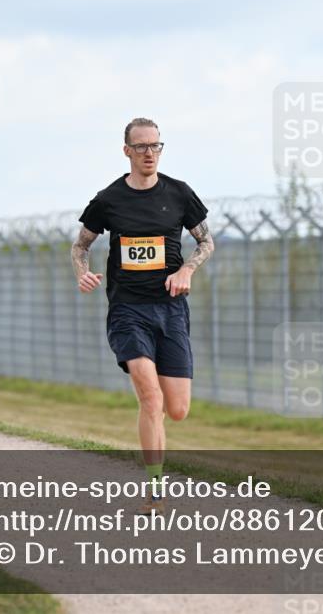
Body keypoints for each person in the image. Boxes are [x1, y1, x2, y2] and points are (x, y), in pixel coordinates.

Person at [70, 117, 214, 514]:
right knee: (150, 398)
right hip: (127, 310)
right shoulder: (109, 199)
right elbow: (80, 246)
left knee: (177, 409)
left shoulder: (180, 194)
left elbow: (206, 240)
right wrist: (83, 274)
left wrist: (186, 270)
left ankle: (158, 452)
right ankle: (155, 489)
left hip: (170, 310)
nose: (150, 153)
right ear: (127, 151)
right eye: (142, 147)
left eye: (156, 146)